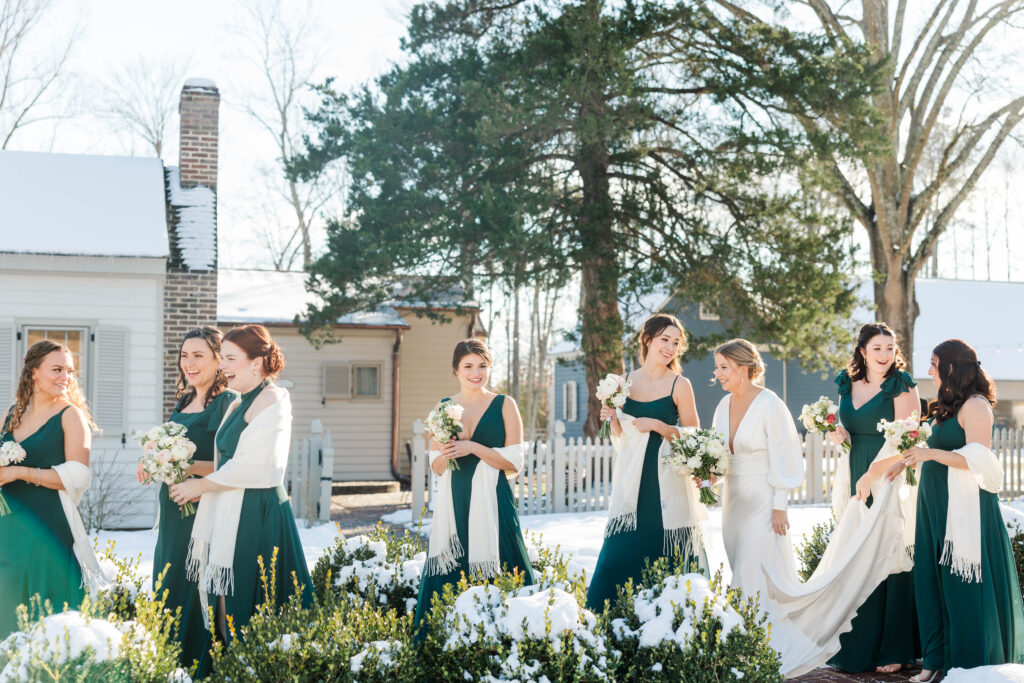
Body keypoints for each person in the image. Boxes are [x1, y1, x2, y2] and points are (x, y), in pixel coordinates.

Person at [712, 338, 906, 678]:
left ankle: (757, 648)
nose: (717, 374)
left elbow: (785, 456)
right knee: (741, 568)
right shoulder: (722, 406)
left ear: (743, 368)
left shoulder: (770, 403)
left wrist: (780, 505)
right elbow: (717, 452)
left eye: (723, 367)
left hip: (763, 500)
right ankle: (752, 641)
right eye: (717, 368)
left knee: (752, 572)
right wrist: (705, 475)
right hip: (734, 502)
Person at [169, 324, 313, 655]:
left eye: (230, 359)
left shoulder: (273, 399)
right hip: (231, 511)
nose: (222, 367)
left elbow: (258, 465)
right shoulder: (238, 403)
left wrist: (201, 486)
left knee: (250, 607)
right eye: (223, 359)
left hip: (258, 513)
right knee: (224, 606)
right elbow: (225, 460)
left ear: (256, 362)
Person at [887, 339, 1024, 681]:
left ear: (951, 367)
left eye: (934, 363)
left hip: (965, 510)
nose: (929, 370)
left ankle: (966, 666)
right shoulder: (946, 406)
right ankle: (934, 661)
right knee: (930, 581)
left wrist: (930, 455)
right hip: (934, 504)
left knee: (960, 585)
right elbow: (932, 448)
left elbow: (980, 458)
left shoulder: (976, 405)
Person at [585, 314, 707, 612]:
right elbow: (621, 436)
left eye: (676, 343)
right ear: (647, 339)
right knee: (619, 552)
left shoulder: (680, 384)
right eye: (665, 339)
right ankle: (606, 621)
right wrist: (611, 418)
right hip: (632, 482)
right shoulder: (623, 383)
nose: (670, 347)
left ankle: (673, 621)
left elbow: (695, 438)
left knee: (666, 551)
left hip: (667, 484)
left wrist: (660, 426)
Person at [414, 339, 532, 635]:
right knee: (453, 569)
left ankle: (511, 637)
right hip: (456, 500)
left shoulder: (505, 404)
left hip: (494, 499)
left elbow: (515, 462)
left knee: (507, 563)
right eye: (468, 366)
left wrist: (472, 447)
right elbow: (437, 467)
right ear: (456, 370)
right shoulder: (443, 407)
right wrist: (445, 448)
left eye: (482, 366)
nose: (476, 372)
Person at [827, 323, 921, 674]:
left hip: (889, 476)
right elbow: (853, 430)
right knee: (857, 554)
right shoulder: (846, 384)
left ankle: (893, 648)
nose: (885, 355)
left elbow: (907, 440)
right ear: (863, 351)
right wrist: (841, 436)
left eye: (890, 348)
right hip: (855, 473)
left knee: (889, 554)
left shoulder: (902, 385)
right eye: (877, 348)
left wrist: (873, 474)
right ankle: (857, 645)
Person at [141, 327, 236, 671]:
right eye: (185, 355)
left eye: (198, 355)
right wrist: (152, 463)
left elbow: (230, 464)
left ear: (217, 359)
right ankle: (167, 661)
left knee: (193, 581)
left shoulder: (227, 402)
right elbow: (171, 454)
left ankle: (201, 664)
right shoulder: (183, 401)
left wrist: (182, 462)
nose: (189, 363)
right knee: (168, 577)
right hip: (172, 508)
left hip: (202, 508)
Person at [0, 340, 104, 636]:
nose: (66, 377)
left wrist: (21, 471)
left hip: (49, 525)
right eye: (57, 369)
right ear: (33, 372)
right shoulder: (10, 414)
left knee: (49, 611)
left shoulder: (71, 415)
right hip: (8, 528)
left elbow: (79, 474)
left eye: (70, 371)